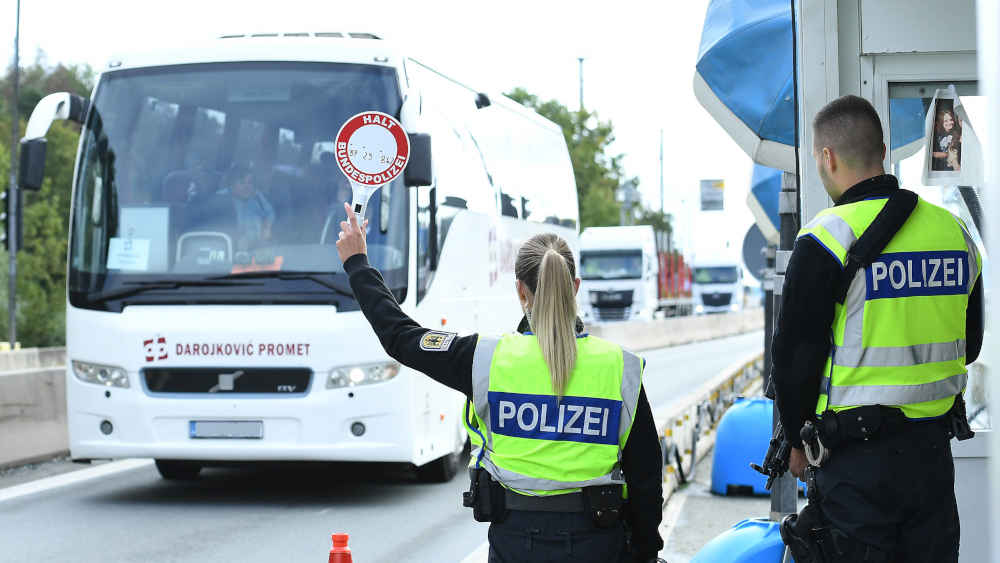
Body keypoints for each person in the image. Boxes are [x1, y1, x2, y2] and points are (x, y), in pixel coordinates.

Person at [335, 206, 665, 563]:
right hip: (599, 543)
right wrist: (645, 552)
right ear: (576, 288)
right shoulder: (620, 367)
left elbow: (400, 336)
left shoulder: (484, 359)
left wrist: (358, 263)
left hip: (515, 545)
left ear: (521, 292)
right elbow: (646, 478)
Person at [772, 95, 984, 562]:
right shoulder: (954, 233)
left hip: (856, 467)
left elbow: (793, 363)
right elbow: (971, 345)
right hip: (931, 457)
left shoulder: (825, 238)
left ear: (826, 158)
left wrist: (795, 440)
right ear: (883, 150)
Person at [219, 161, 276, 249]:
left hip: (259, 251)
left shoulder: (258, 197)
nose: (247, 186)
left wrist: (267, 228)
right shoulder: (220, 199)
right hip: (229, 249)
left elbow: (270, 213)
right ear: (231, 184)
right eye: (242, 183)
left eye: (250, 183)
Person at [931, 106, 962, 172]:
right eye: (946, 121)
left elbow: (954, 152)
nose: (950, 122)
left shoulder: (956, 133)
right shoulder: (939, 135)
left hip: (953, 166)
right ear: (941, 123)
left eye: (951, 120)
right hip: (943, 167)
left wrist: (942, 154)